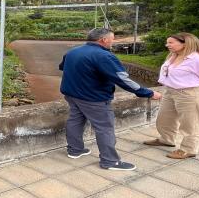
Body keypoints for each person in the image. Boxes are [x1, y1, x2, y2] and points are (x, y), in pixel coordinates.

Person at [60, 28, 162, 171]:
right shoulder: (104, 56)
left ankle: (74, 150)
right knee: (104, 128)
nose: (113, 42)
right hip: (93, 98)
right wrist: (147, 92)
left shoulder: (73, 51)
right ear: (103, 40)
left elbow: (63, 67)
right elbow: (122, 79)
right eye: (112, 39)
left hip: (72, 94)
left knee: (75, 121)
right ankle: (110, 161)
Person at [143, 32, 199, 159]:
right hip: (171, 91)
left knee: (191, 124)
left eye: (171, 42)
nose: (167, 45)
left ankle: (189, 149)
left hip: (191, 94)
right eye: (167, 42)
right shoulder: (173, 56)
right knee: (165, 118)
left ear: (185, 43)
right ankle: (166, 139)